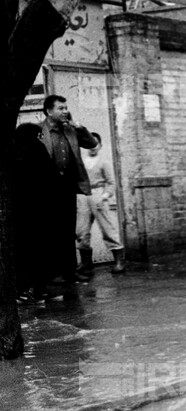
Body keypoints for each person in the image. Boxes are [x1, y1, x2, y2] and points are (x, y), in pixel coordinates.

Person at [12, 94, 93, 301]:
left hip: (67, 187)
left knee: (68, 228)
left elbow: (91, 143)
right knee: (51, 231)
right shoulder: (36, 132)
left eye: (67, 107)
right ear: (49, 111)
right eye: (61, 108)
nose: (65, 111)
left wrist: (78, 126)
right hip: (45, 191)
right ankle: (52, 274)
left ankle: (69, 271)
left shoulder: (71, 131)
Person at [75, 133, 126, 277]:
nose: (92, 148)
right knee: (81, 230)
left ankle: (119, 262)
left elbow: (111, 183)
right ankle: (86, 263)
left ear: (100, 146)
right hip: (84, 195)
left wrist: (105, 196)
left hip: (99, 195)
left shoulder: (104, 162)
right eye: (90, 145)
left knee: (108, 228)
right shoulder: (82, 162)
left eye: (95, 145)